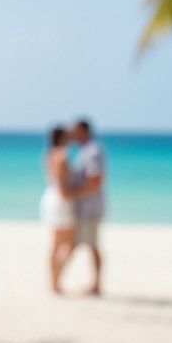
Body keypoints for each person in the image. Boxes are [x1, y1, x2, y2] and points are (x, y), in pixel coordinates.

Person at [39, 125, 81, 295]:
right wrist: (85, 190)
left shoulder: (49, 155)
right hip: (61, 202)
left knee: (57, 244)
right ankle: (55, 281)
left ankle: (54, 282)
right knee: (69, 243)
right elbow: (64, 190)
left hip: (51, 198)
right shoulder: (60, 156)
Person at [71, 118, 106, 296]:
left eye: (74, 130)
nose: (72, 134)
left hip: (90, 207)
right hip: (85, 206)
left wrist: (73, 193)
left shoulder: (92, 151)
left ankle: (96, 285)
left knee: (90, 243)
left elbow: (96, 179)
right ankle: (96, 284)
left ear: (83, 131)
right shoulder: (85, 150)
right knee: (89, 244)